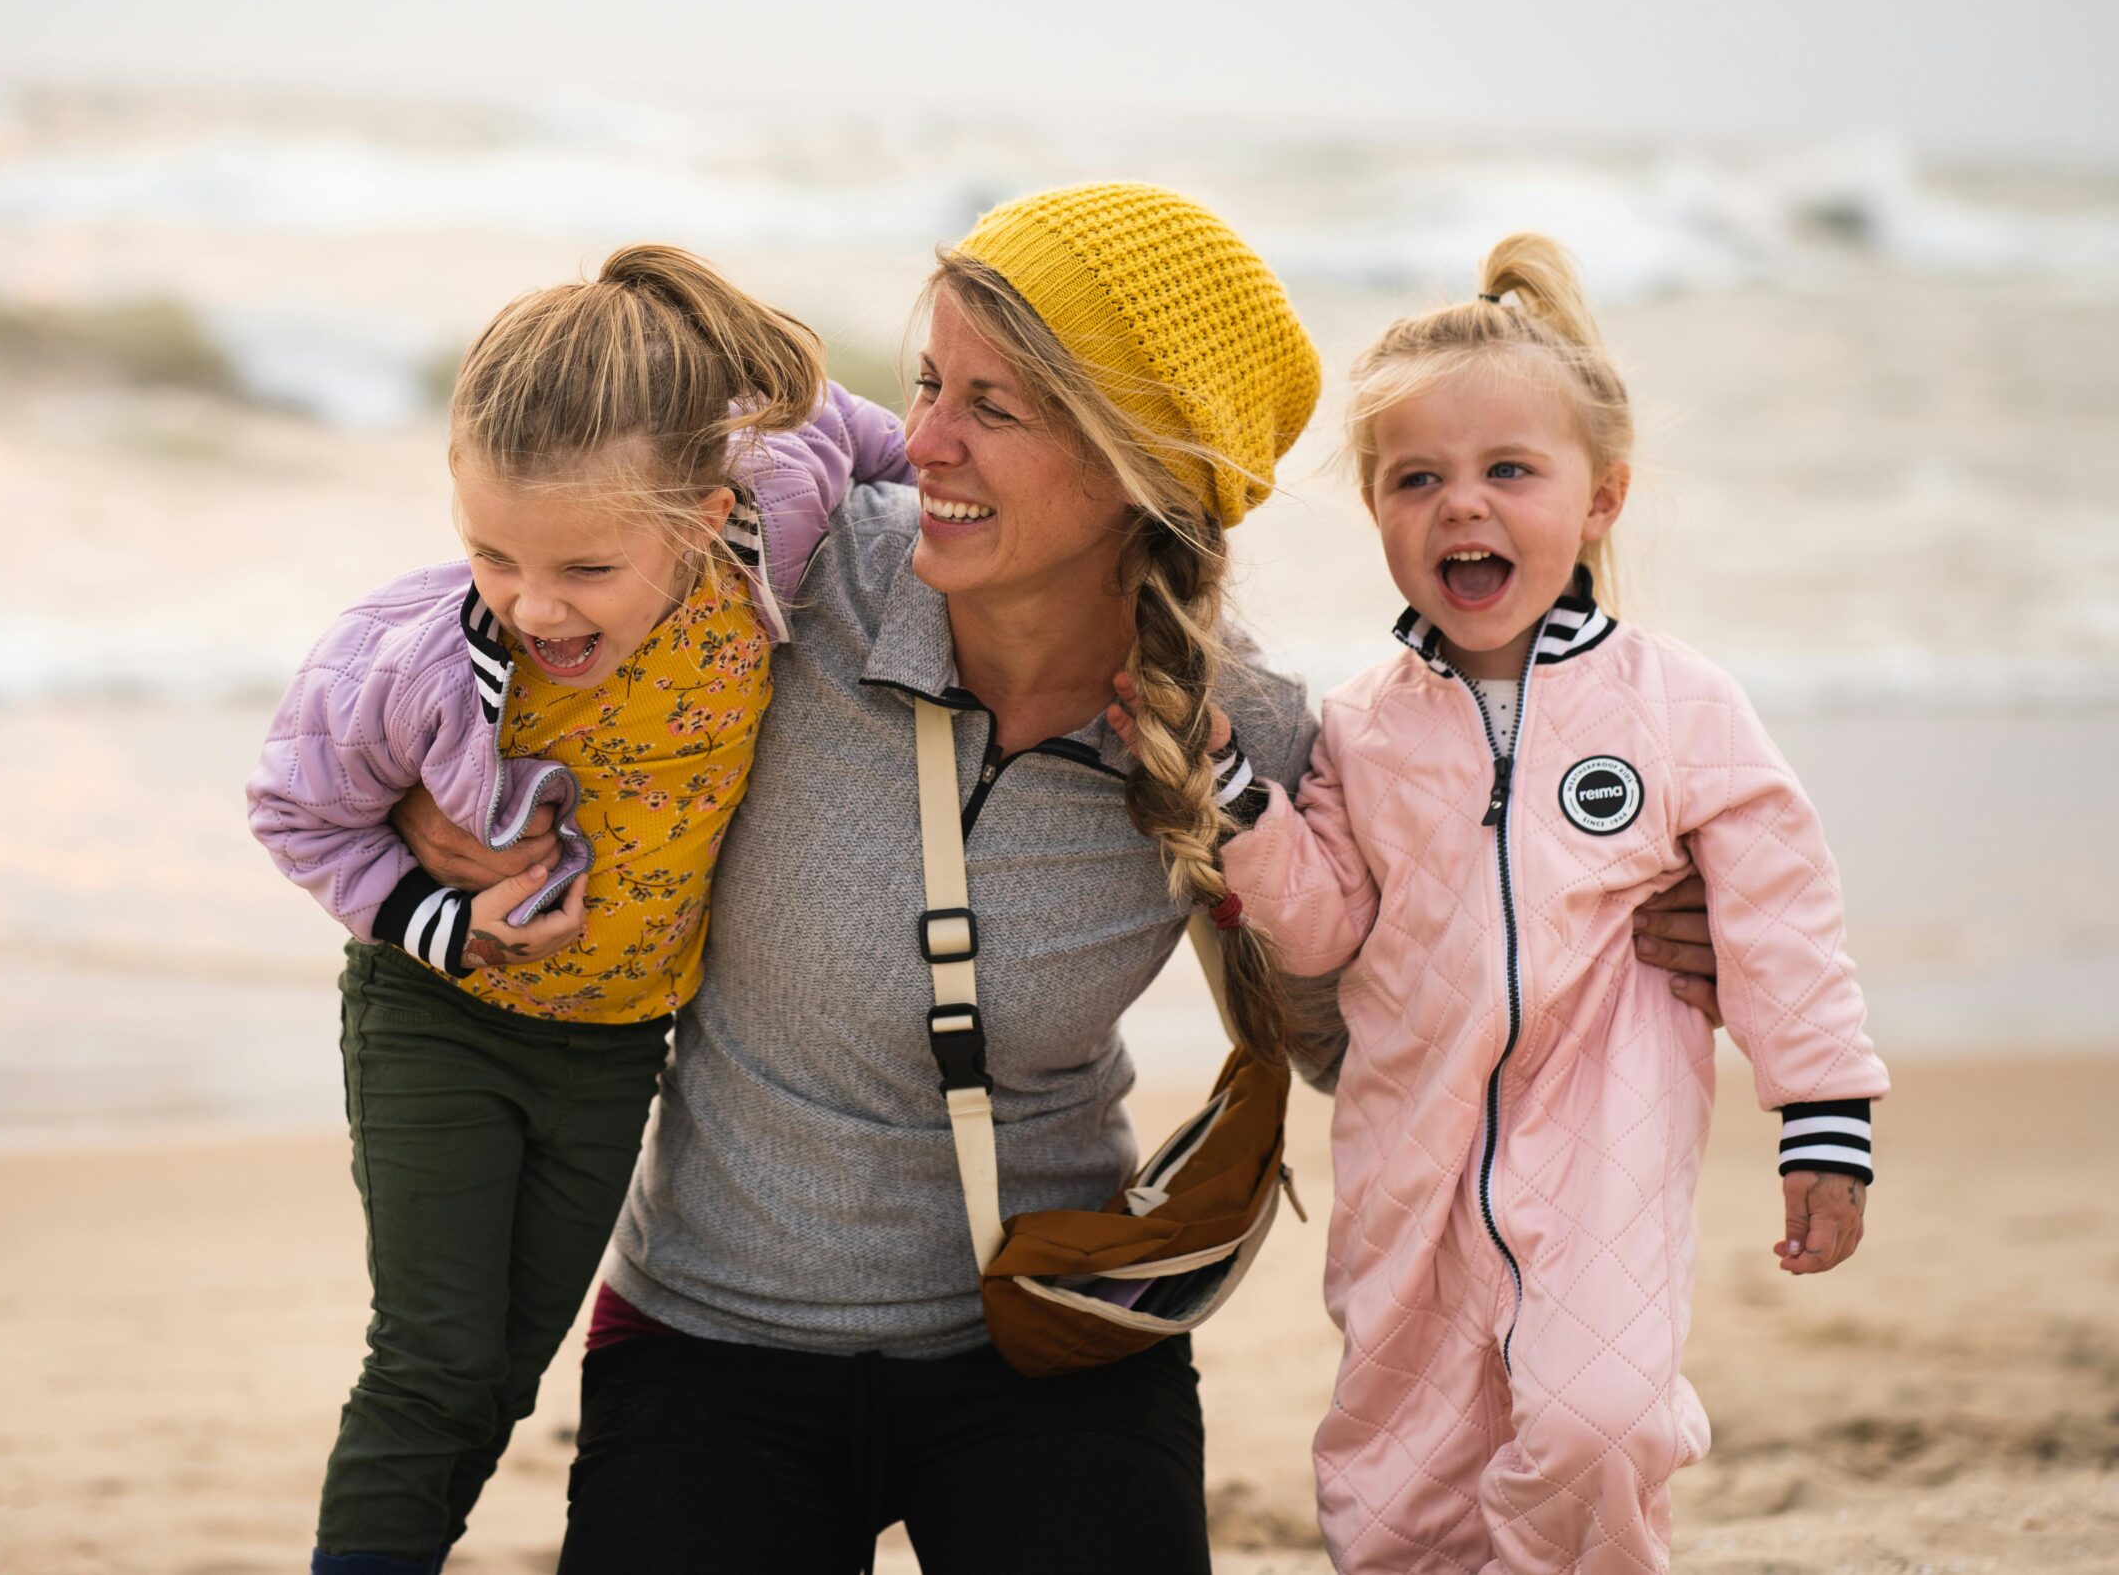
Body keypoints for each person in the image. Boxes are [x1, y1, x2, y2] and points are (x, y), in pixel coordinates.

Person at [396, 189, 1727, 1574]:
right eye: (926, 384)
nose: (922, 442)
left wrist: (1603, 910)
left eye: (995, 405)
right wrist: (430, 811)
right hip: (708, 1336)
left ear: (1142, 464)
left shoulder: (1243, 736)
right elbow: (510, 605)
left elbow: (1356, 1038)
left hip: (1044, 1337)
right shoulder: (787, 590)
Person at [1202, 233, 1888, 1572]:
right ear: (1377, 511)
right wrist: (1236, 802)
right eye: (1419, 480)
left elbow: (1780, 912)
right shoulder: (1366, 726)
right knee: (1402, 1461)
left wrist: (1827, 1116)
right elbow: (1326, 924)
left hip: (1607, 1144)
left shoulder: (1675, 705)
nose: (1464, 506)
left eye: (1510, 470)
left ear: (1600, 498)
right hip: (1413, 1153)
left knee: (1602, 1428)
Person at [245, 243, 913, 1575]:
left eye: (584, 571)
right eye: (492, 552)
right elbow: (297, 810)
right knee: (430, 1362)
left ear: (699, 506)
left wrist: (938, 492)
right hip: (441, 1020)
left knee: (503, 1375)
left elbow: (854, 433)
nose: (535, 604)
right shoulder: (417, 660)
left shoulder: (765, 524)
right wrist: (440, 911)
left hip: (617, 1042)